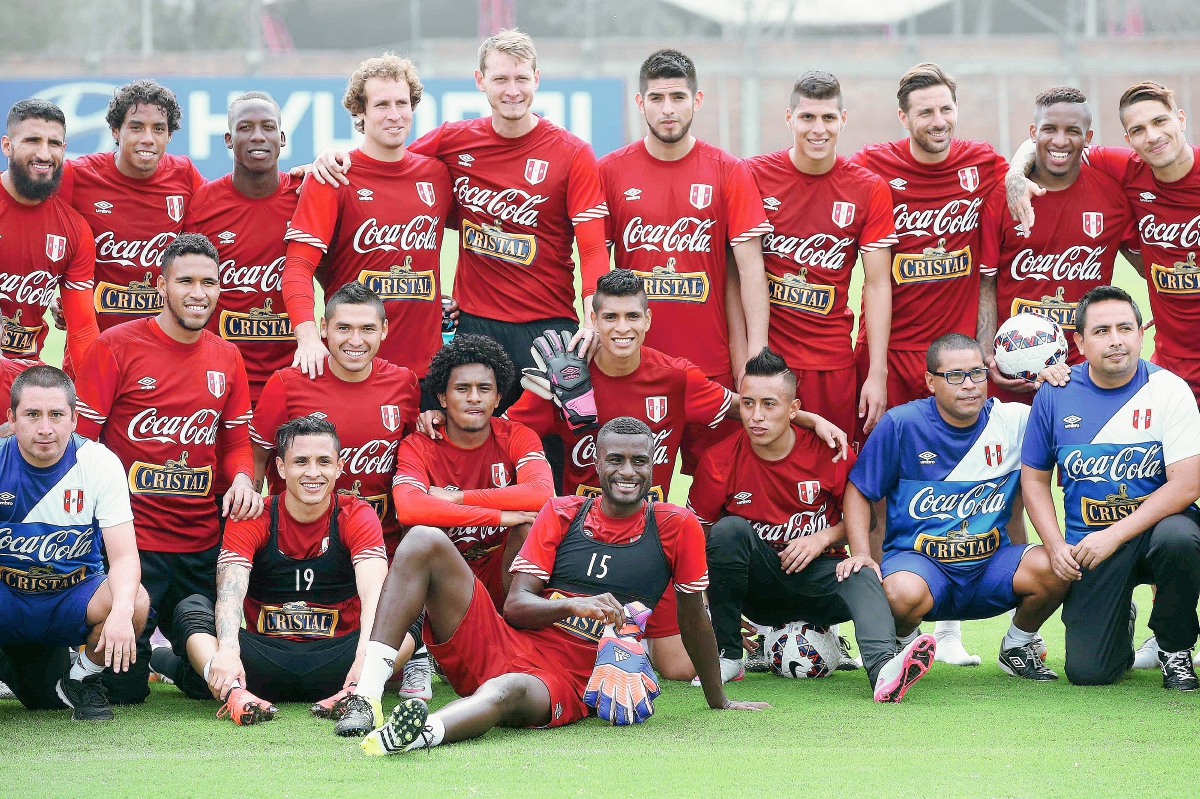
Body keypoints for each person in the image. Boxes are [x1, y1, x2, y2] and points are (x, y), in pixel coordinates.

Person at [335, 416, 767, 754]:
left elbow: (694, 618)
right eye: (615, 460)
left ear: (653, 467)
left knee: (507, 689)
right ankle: (367, 697)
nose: (628, 471)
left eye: (639, 461)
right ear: (596, 463)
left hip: (571, 676)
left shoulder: (676, 525)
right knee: (423, 538)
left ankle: (417, 735)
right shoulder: (563, 512)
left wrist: (719, 700)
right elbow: (516, 607)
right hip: (503, 642)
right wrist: (573, 606)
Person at [504, 268, 846, 680]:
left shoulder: (675, 376)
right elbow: (506, 434)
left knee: (682, 670)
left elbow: (749, 406)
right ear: (592, 320)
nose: (622, 328)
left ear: (648, 321)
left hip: (646, 538)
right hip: (582, 536)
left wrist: (807, 418)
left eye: (632, 316)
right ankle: (507, 632)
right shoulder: (567, 375)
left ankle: (698, 629)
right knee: (524, 534)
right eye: (610, 317)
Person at [311, 29, 610, 412]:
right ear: (480, 81)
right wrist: (326, 162)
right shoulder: (454, 140)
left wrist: (593, 318)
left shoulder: (572, 153)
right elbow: (384, 166)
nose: (512, 90)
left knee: (553, 452)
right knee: (473, 451)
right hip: (474, 325)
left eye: (521, 79)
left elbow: (592, 246)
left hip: (549, 326)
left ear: (537, 79)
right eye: (500, 79)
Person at [851, 63, 1009, 664]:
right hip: (886, 355)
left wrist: (1017, 181)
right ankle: (893, 609)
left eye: (946, 109)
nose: (938, 121)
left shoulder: (981, 161)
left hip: (957, 359)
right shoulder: (873, 164)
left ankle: (947, 630)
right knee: (889, 481)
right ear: (904, 118)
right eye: (925, 112)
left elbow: (1031, 157)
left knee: (964, 480)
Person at [73, 233, 262, 705]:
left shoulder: (228, 357)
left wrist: (241, 476)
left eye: (209, 282)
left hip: (200, 544)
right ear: (161, 286)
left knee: (207, 686)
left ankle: (167, 660)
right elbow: (82, 444)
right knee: (122, 691)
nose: (199, 293)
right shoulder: (115, 347)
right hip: (135, 548)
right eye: (186, 281)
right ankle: (100, 655)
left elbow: (237, 441)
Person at [690, 348, 935, 701]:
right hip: (760, 590)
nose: (756, 416)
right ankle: (728, 655)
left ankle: (884, 671)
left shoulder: (829, 450)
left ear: (794, 408)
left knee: (863, 570)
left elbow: (869, 520)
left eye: (769, 405)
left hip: (823, 580)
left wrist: (822, 538)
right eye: (747, 403)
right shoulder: (719, 459)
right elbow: (701, 537)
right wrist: (711, 605)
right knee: (729, 531)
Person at [845, 333, 1070, 681]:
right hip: (921, 564)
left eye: (977, 373)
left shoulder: (1015, 421)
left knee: (1057, 564)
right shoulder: (902, 424)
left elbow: (1073, 420)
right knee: (898, 592)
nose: (969, 385)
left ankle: (1017, 645)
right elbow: (859, 490)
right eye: (955, 376)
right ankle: (906, 644)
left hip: (990, 567)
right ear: (930, 382)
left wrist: (1056, 386)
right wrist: (861, 554)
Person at [598, 48, 771, 472]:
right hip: (632, 368)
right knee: (630, 494)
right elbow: (596, 267)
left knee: (721, 497)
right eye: (656, 98)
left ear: (697, 100)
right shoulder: (610, 171)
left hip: (711, 369)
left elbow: (751, 271)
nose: (668, 109)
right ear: (640, 103)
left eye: (678, 97)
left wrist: (756, 355)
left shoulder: (729, 171)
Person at [1021, 285, 1200, 689]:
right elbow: (1034, 479)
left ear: (1141, 334)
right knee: (1089, 674)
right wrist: (1055, 545)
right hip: (1090, 546)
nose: (1116, 340)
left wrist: (1113, 535)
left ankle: (1175, 648)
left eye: (1125, 328)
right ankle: (1120, 619)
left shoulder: (1170, 389)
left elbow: (1187, 485)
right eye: (1101, 331)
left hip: (1157, 533)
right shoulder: (1055, 392)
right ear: (1079, 342)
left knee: (1180, 539)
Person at [155, 416, 389, 723]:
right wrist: (227, 652)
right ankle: (235, 695)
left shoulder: (355, 513)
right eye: (301, 462)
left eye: (324, 461)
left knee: (402, 611)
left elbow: (375, 593)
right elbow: (229, 594)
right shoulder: (254, 515)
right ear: (280, 468)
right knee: (191, 608)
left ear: (339, 467)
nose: (313, 472)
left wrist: (364, 662)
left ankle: (357, 694)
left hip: (340, 663)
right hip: (260, 664)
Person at [1007, 81, 1200, 404]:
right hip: (1171, 368)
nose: (1152, 136)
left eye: (1160, 121)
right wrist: (1015, 176)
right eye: (1139, 130)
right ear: (1129, 140)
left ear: (1180, 119)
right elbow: (1049, 143)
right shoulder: (1126, 169)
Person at [744, 71, 896, 439]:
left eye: (828, 117)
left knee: (836, 471)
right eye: (807, 117)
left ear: (843, 120)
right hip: (771, 361)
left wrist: (877, 372)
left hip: (833, 363)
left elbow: (876, 285)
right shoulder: (753, 175)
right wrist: (752, 358)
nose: (818, 129)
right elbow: (740, 274)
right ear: (789, 118)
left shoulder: (868, 188)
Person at [283, 54, 451, 385]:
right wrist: (307, 336)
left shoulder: (437, 175)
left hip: (428, 372)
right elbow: (298, 267)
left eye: (402, 103)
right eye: (381, 105)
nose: (394, 115)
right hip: (355, 369)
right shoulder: (333, 177)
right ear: (360, 111)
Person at [0, 366, 150, 720]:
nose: (45, 428)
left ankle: (81, 677)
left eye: (56, 415)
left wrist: (123, 614)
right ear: (11, 419)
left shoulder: (99, 463)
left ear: (74, 418)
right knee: (38, 698)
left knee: (136, 600)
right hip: (7, 595)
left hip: (70, 597)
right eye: (32, 415)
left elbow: (125, 556)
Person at [979, 87, 1134, 403]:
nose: (1060, 141)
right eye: (1050, 129)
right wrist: (987, 357)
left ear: (1088, 137)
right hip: (1013, 370)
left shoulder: (1113, 197)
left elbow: (1152, 263)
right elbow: (986, 282)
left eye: (1072, 131)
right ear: (1034, 132)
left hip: (1085, 371)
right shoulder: (1002, 197)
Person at [251, 282, 420, 556]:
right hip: (296, 549)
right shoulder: (287, 383)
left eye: (367, 329)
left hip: (379, 547)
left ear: (384, 330)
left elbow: (413, 460)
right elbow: (256, 458)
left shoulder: (405, 384)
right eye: (343, 328)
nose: (355, 340)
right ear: (323, 327)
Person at [392, 334, 553, 610]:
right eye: (462, 388)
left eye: (485, 388)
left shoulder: (517, 436)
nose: (474, 398)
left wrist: (458, 498)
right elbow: (409, 508)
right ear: (442, 397)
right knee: (420, 536)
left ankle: (515, 625)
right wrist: (499, 516)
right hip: (444, 573)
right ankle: (425, 639)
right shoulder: (419, 444)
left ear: (498, 397)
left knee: (530, 526)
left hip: (498, 566)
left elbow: (542, 493)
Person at [57, 80, 206, 333]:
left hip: (163, 349)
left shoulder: (185, 175)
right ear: (116, 130)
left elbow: (230, 202)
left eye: (158, 129)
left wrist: (295, 182)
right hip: (94, 346)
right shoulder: (77, 175)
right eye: (136, 127)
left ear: (169, 135)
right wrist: (54, 294)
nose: (148, 139)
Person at [184, 91, 300, 405]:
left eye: (268, 127)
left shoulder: (305, 198)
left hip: (293, 373)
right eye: (245, 128)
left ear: (283, 137)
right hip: (220, 374)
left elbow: (336, 278)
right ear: (228, 138)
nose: (257, 136)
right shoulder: (204, 204)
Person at [0, 99, 99, 366]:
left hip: (24, 376)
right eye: (32, 140)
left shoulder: (74, 230)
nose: (44, 154)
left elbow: (82, 330)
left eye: (54, 143)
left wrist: (91, 400)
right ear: (7, 146)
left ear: (64, 150)